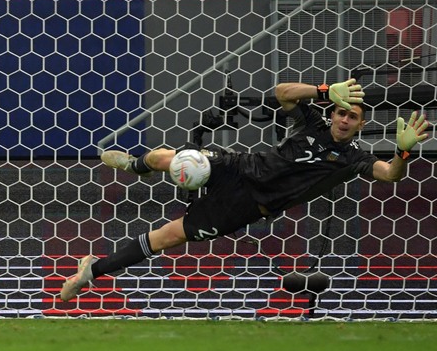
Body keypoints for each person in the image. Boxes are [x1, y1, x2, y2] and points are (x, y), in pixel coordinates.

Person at [60, 78, 430, 302]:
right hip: (240, 167)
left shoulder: (352, 158)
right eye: (341, 112)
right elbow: (284, 93)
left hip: (250, 205)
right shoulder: (314, 122)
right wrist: (321, 90)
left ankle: (92, 271)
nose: (344, 120)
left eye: (352, 117)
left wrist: (404, 151)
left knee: (166, 237)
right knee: (170, 158)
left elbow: (389, 175)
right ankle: (137, 166)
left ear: (361, 124)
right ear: (332, 112)